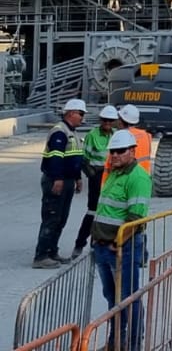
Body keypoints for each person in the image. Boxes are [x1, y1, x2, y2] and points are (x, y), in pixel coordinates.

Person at [91, 129, 152, 351]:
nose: (115, 155)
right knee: (112, 297)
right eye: (112, 151)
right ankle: (116, 340)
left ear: (132, 151)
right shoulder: (114, 173)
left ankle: (133, 344)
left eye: (120, 151)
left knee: (128, 298)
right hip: (103, 247)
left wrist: (116, 243)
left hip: (122, 249)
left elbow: (135, 219)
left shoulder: (138, 178)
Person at [33, 97, 86, 268]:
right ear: (70, 113)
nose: (83, 117)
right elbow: (56, 157)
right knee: (52, 217)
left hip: (67, 180)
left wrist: (77, 178)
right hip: (56, 181)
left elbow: (74, 158)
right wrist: (57, 178)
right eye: (80, 113)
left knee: (61, 219)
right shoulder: (59, 132)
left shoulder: (72, 133)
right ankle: (41, 256)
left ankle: (51, 251)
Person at [74, 104, 120, 258]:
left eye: (110, 121)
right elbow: (84, 159)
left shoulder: (116, 134)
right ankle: (79, 244)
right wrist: (91, 174)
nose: (107, 123)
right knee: (93, 211)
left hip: (111, 177)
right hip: (97, 176)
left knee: (107, 212)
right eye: (105, 120)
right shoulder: (92, 135)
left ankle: (97, 244)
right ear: (101, 120)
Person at [116, 105, 153, 175]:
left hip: (128, 177)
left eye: (119, 118)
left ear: (121, 121)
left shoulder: (121, 137)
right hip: (144, 176)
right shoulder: (147, 135)